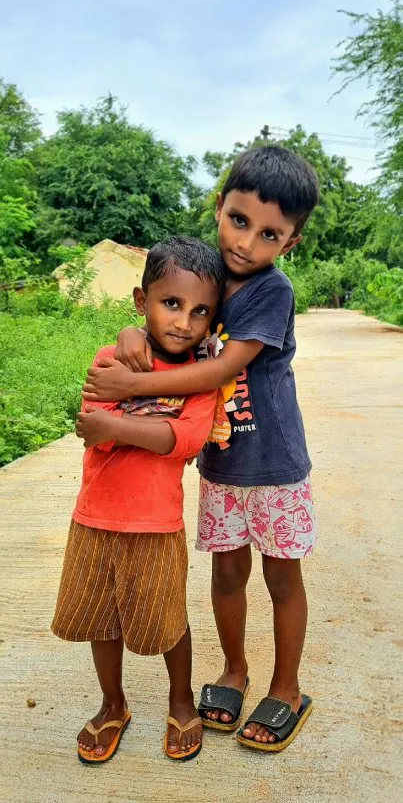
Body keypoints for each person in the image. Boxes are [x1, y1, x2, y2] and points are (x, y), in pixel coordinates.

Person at [82, 146, 320, 753]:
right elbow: (162, 310)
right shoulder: (207, 275)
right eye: (239, 221)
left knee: (281, 578)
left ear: (288, 243)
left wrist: (131, 385)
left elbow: (219, 372)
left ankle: (287, 688)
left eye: (270, 234)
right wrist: (130, 332)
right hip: (220, 463)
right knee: (228, 574)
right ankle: (234, 671)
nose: (248, 242)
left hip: (275, 466)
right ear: (220, 208)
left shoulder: (270, 291)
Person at [51, 236, 225, 764]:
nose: (183, 322)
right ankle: (112, 704)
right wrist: (124, 423)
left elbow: (186, 442)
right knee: (99, 620)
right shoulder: (111, 356)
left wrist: (118, 419)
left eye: (200, 312)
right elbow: (93, 430)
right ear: (139, 301)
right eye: (170, 303)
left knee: (167, 620)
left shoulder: (201, 380)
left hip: (156, 524)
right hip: (94, 520)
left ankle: (181, 698)